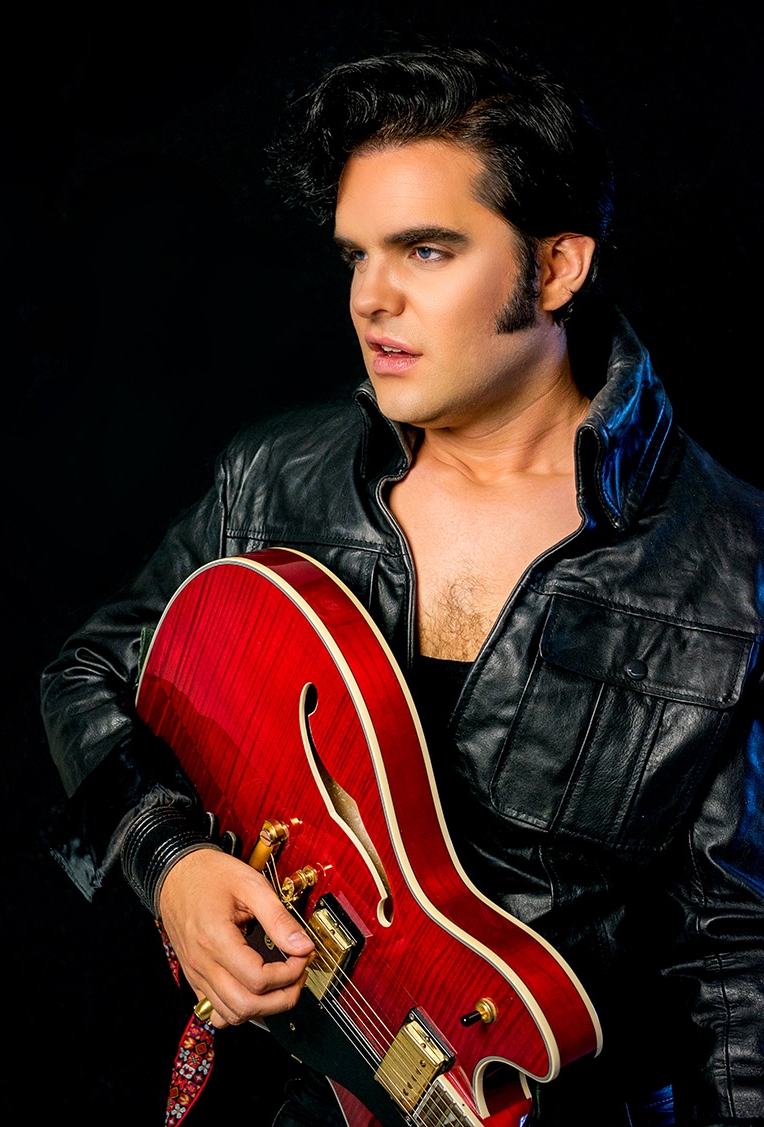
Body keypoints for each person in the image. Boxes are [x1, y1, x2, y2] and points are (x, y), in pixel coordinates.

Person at [41, 42, 764, 1127]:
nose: (370, 299)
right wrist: (170, 862)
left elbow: (736, 963)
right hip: (299, 1091)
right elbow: (88, 675)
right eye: (357, 255)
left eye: (426, 250)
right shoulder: (276, 475)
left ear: (557, 267)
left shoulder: (734, 566)